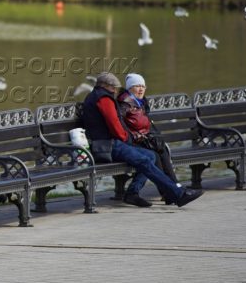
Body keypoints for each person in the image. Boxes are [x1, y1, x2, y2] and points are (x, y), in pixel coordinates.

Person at [81, 72, 203, 208]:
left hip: (107, 143)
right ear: (106, 86)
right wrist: (126, 138)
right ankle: (178, 194)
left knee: (151, 156)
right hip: (108, 144)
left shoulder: (96, 96)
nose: (115, 90)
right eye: (113, 88)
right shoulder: (103, 99)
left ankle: (132, 193)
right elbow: (114, 123)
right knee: (144, 160)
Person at [116, 73, 179, 187]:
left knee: (162, 149)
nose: (141, 89)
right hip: (133, 142)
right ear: (130, 88)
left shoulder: (141, 102)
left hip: (144, 139)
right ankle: (169, 189)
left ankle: (174, 186)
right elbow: (120, 123)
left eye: (143, 86)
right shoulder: (125, 103)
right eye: (137, 86)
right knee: (155, 155)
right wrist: (134, 136)